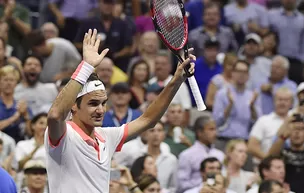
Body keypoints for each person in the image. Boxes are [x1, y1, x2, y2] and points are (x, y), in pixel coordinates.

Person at [44, 29, 196, 193]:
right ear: (74, 105)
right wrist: (86, 66)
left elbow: (148, 120)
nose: (100, 110)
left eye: (104, 103)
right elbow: (54, 115)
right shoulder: (64, 135)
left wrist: (177, 80)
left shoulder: (106, 137)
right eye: (93, 103)